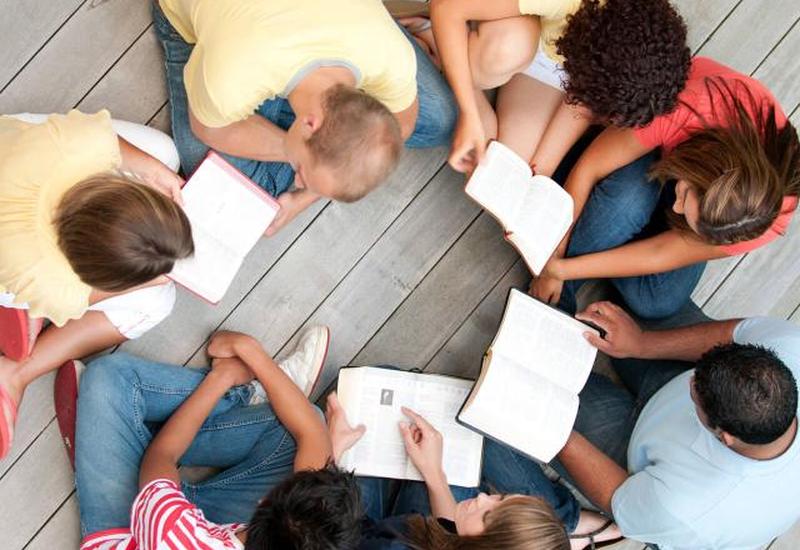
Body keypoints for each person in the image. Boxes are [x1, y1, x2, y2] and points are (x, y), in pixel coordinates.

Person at [504, 299, 800, 549]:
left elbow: (615, 495)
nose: (692, 381)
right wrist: (641, 343)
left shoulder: (688, 509)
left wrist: (553, 420)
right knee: (623, 308)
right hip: (674, 383)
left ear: (724, 437)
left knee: (526, 385)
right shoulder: (790, 347)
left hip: (637, 473)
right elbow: (730, 334)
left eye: (695, 393)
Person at [151, 0, 457, 237]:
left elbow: (401, 124)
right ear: (310, 123)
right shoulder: (232, 79)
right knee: (243, 194)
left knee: (441, 121)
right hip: (215, 36)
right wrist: (293, 152)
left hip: (289, 36)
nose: (297, 182)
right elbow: (208, 130)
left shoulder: (390, 57)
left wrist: (305, 197)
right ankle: (289, 130)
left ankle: (289, 126)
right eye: (300, 172)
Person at [531, 59, 800, 319]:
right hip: (659, 134)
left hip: (697, 178)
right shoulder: (689, 108)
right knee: (627, 203)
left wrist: (563, 270)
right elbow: (589, 169)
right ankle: (592, 251)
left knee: (657, 300)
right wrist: (554, 262)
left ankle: (609, 234)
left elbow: (660, 253)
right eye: (684, 197)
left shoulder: (764, 218)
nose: (676, 207)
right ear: (698, 169)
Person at [0, 110, 194, 460]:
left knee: (164, 153)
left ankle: (22, 306)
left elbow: (106, 141)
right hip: (20, 272)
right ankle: (15, 370)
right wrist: (147, 280)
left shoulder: (75, 146)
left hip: (18, 163)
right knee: (159, 301)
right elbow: (87, 295)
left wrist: (153, 171)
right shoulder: (57, 287)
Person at [67, 326, 365, 550]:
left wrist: (224, 375)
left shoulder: (172, 532)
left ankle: (238, 392)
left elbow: (162, 454)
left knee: (108, 380)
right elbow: (311, 434)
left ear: (262, 501)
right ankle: (120, 432)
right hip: (209, 528)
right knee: (299, 436)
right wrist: (332, 452)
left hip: (138, 529)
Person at [424, 0, 690, 175]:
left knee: (502, 168)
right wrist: (469, 113)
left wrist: (542, 170)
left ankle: (458, 73)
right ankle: (433, 38)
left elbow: (583, 99)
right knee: (509, 50)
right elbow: (446, 8)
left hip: (554, 53)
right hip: (511, 27)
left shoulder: (622, 39)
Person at [324, 392, 620, 549]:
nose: (482, 497)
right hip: (402, 533)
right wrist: (435, 475)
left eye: (488, 516)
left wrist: (331, 456)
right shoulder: (463, 536)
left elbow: (318, 534)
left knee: (340, 416)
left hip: (337, 533)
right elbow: (448, 538)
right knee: (398, 407)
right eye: (499, 498)